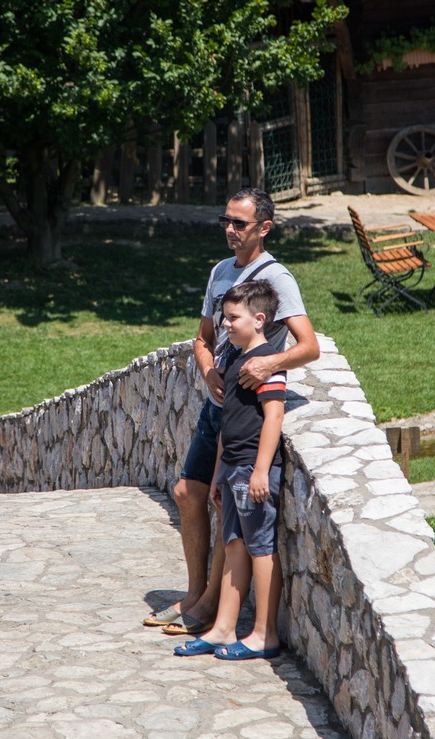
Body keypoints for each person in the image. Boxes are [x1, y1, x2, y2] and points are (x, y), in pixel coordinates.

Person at [144, 188, 319, 636]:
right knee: (188, 492)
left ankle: (208, 608)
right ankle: (196, 592)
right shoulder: (220, 272)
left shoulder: (277, 278)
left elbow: (308, 346)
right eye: (225, 221)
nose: (230, 230)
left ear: (264, 228)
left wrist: (267, 363)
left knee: (224, 502)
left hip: (245, 410)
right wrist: (207, 371)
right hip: (215, 404)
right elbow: (203, 337)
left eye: (239, 224)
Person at [174, 280, 287, 660]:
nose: (224, 324)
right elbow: (226, 423)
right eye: (223, 317)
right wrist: (221, 470)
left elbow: (273, 416)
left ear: (258, 320)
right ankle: (223, 628)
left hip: (254, 470)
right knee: (234, 546)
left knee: (261, 549)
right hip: (234, 468)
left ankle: (263, 635)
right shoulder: (234, 359)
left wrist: (260, 471)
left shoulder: (266, 363)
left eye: (232, 318)